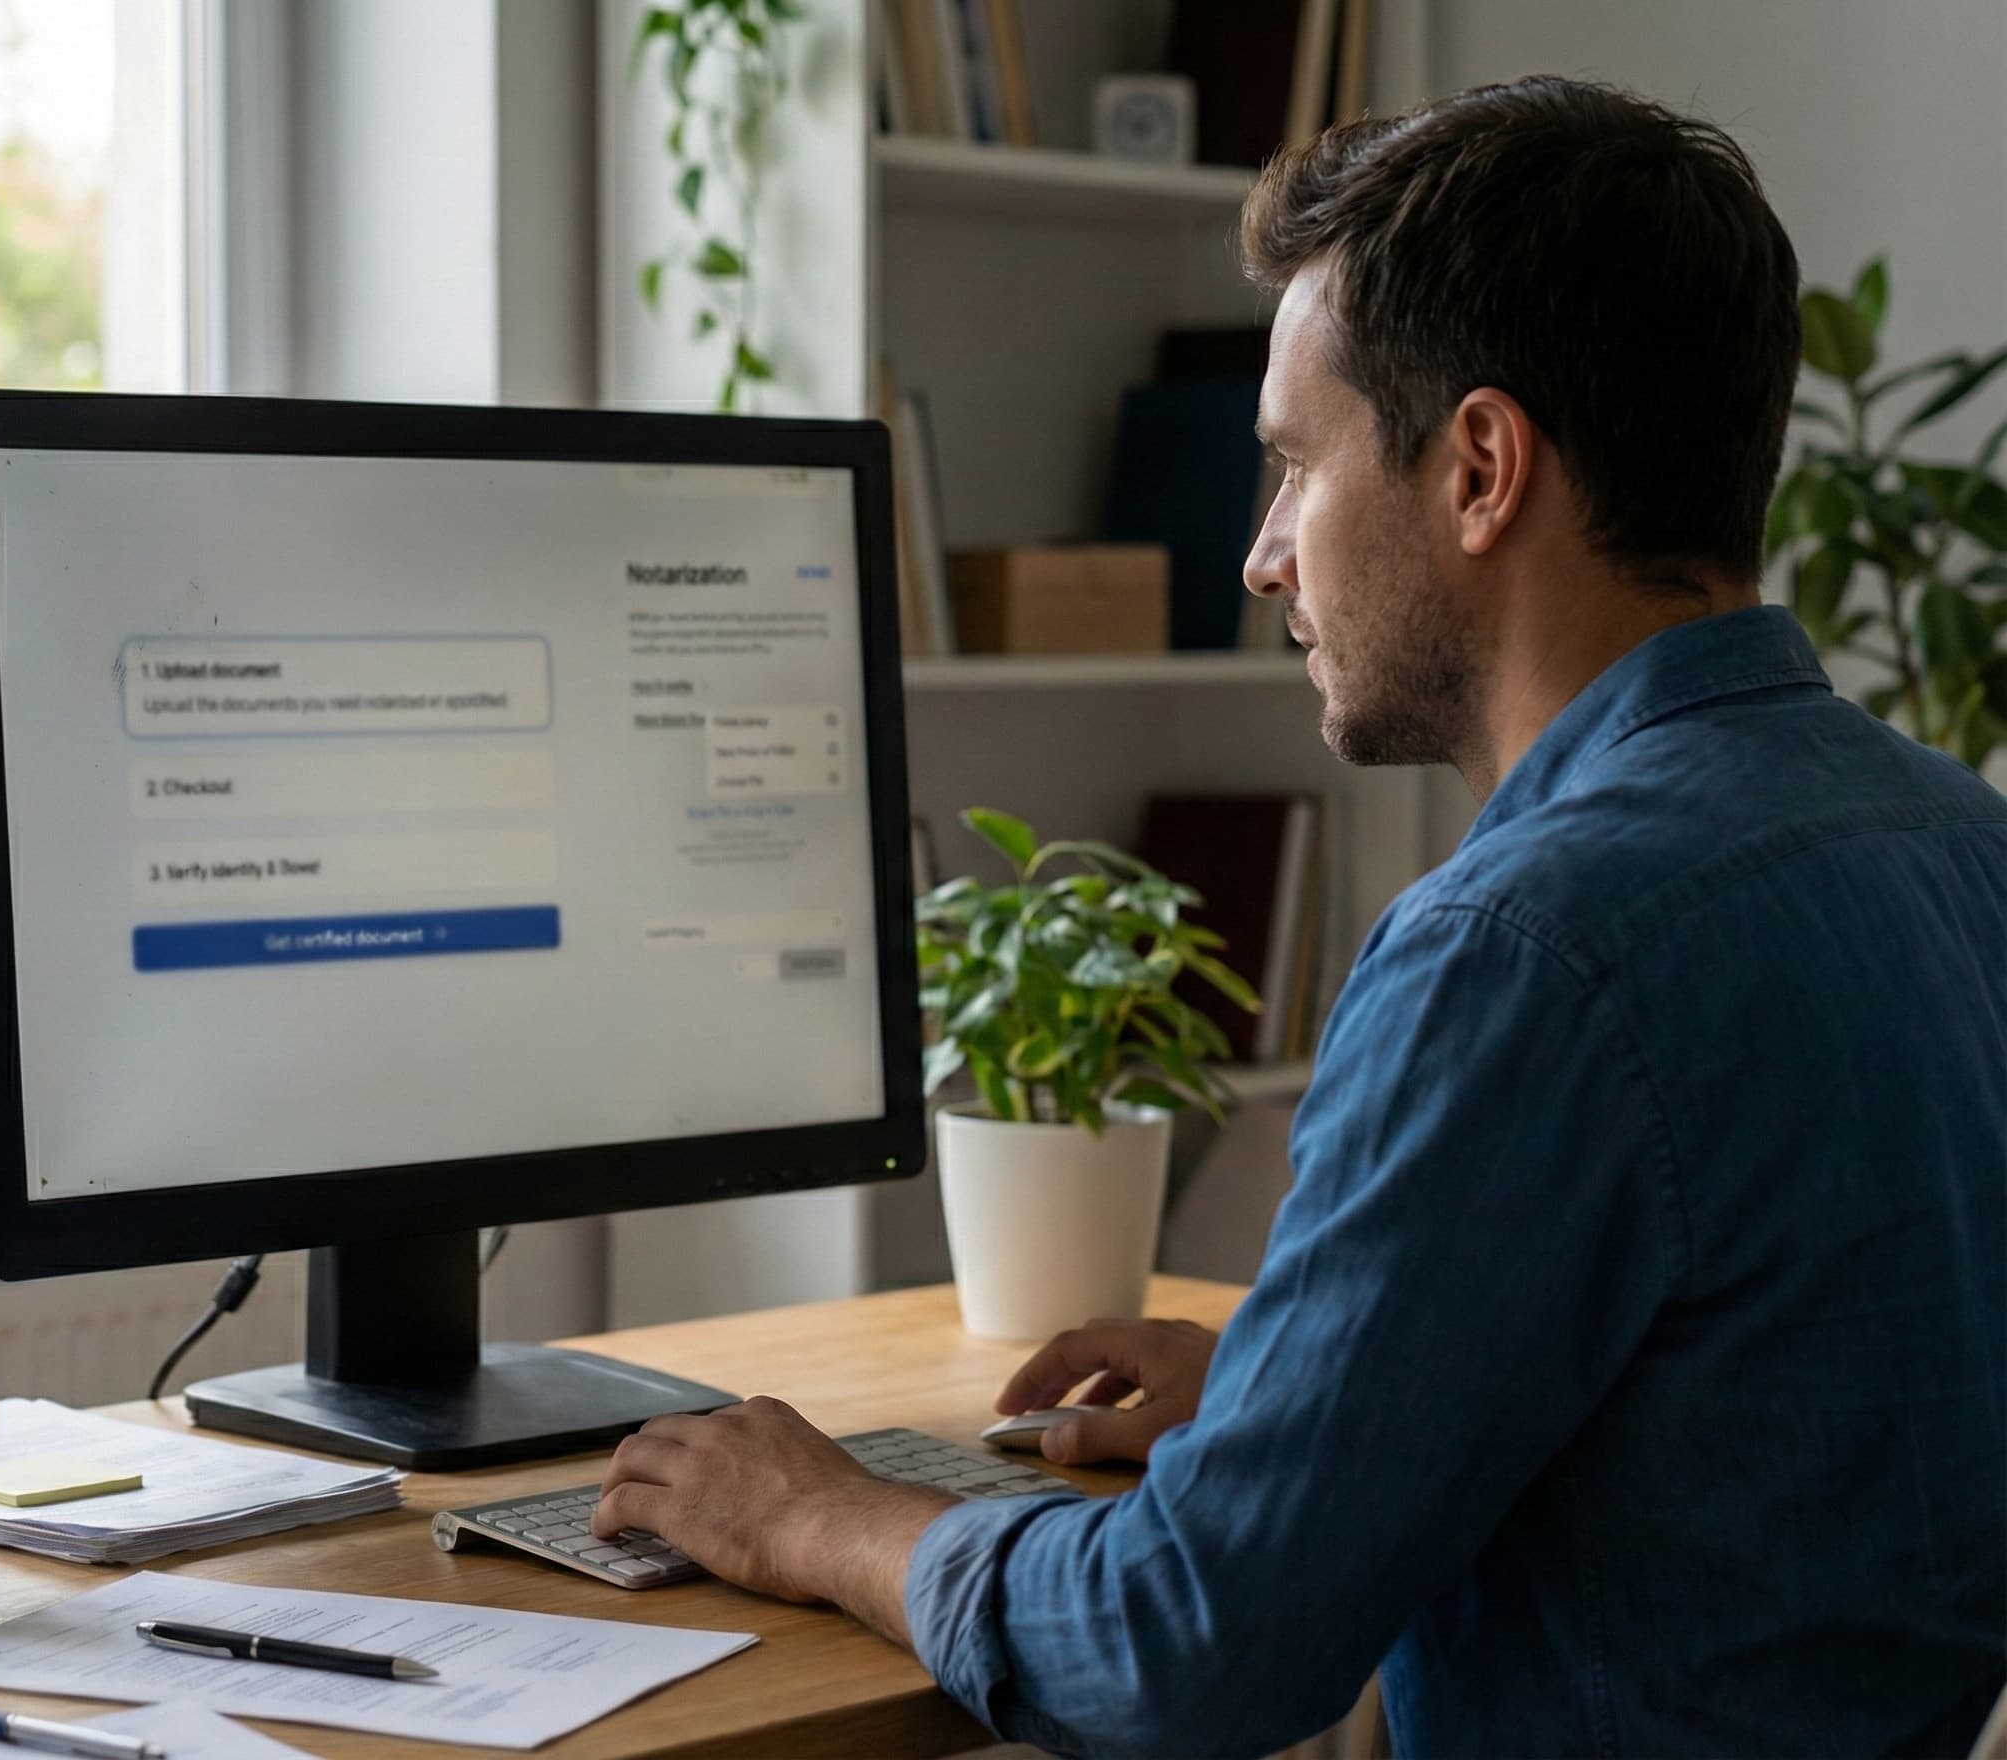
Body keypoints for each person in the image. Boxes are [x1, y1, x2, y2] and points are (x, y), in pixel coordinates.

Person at [588, 75, 2007, 1758]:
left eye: (1291, 463)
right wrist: (1313, 1394)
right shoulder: (1956, 845)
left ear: (1480, 469)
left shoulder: (1520, 952)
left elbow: (1183, 1651)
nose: (1265, 554)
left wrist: (817, 1517)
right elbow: (1763, 1396)